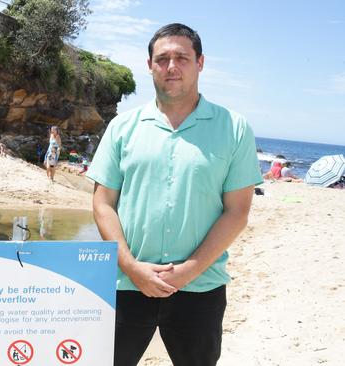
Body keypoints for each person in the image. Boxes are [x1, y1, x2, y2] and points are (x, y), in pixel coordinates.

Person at [86, 23, 262, 366]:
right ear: (150, 65)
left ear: (200, 62)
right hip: (125, 285)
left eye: (182, 57)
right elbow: (102, 202)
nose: (171, 66)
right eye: (162, 58)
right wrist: (132, 267)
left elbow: (237, 212)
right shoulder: (123, 127)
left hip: (201, 289)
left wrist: (187, 272)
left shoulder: (235, 128)